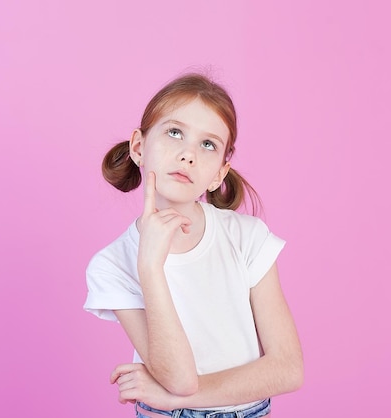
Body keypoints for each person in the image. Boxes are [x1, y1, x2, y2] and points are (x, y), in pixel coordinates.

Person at [83, 73, 303, 418]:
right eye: (174, 133)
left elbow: (288, 369)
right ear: (139, 147)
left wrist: (180, 400)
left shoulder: (247, 238)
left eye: (208, 144)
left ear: (219, 172)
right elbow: (179, 379)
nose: (188, 154)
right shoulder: (111, 265)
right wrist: (150, 267)